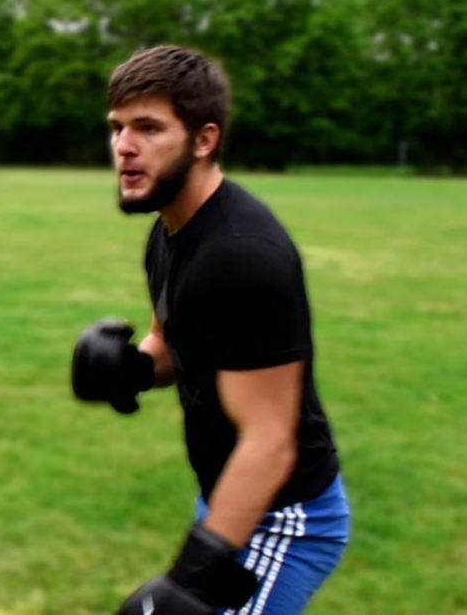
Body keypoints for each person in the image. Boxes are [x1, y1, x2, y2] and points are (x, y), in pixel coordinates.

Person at [71, 46, 349, 615]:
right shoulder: (169, 232)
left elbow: (271, 440)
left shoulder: (243, 256)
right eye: (118, 128)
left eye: (148, 128)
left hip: (282, 518)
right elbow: (172, 344)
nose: (123, 147)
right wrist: (135, 369)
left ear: (204, 139)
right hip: (230, 495)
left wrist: (191, 577)